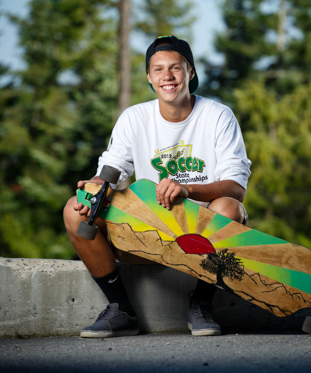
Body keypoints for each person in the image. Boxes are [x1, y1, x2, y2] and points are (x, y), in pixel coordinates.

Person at [63, 35, 251, 338]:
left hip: (201, 236)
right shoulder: (134, 117)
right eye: (159, 69)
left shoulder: (218, 116)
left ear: (190, 72)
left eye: (175, 68)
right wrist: (97, 185)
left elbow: (237, 189)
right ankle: (121, 310)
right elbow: (112, 170)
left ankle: (201, 303)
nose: (168, 76)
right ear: (149, 77)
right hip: (147, 231)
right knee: (75, 208)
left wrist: (188, 190)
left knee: (230, 209)